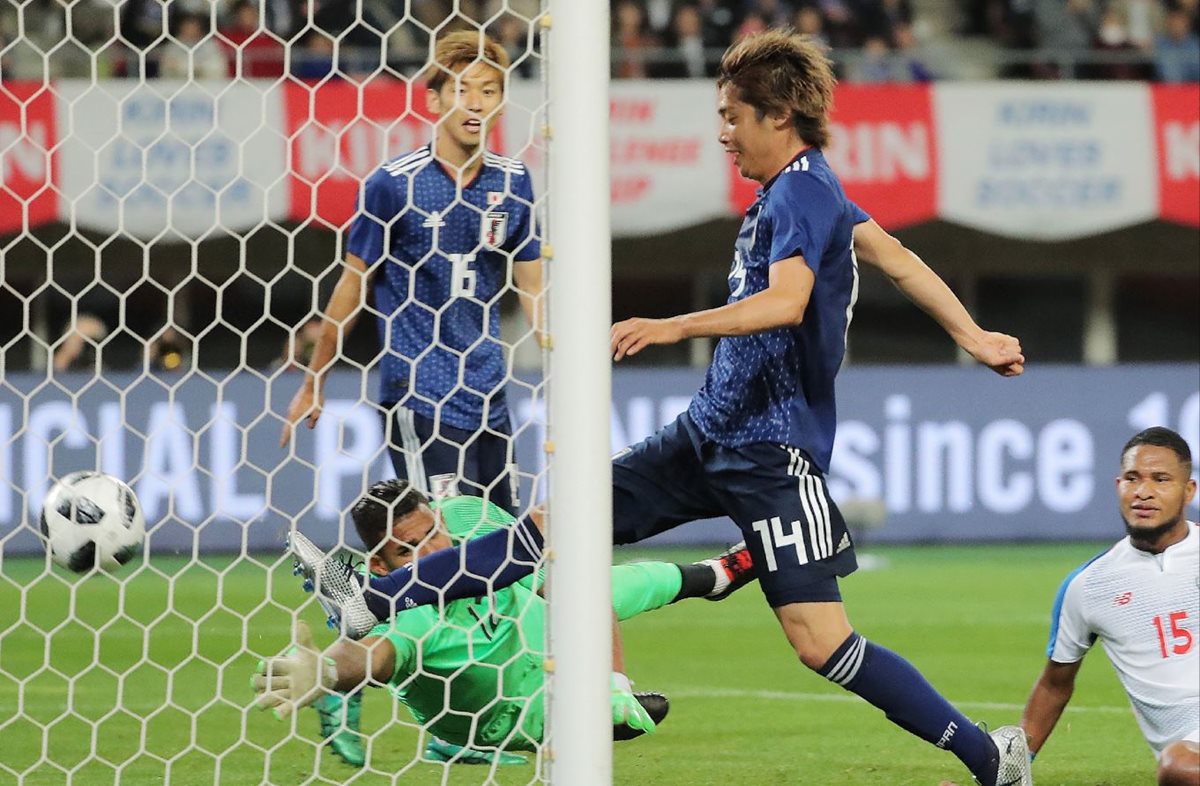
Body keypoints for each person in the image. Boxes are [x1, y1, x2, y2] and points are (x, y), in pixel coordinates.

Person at [606, 30, 1031, 786]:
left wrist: (672, 325)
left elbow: (788, 301)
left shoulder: (805, 190)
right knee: (559, 526)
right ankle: (380, 601)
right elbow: (895, 256)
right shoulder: (801, 190)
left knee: (821, 643)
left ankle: (990, 759)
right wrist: (973, 335)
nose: (722, 132)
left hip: (772, 453)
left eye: (733, 116)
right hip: (706, 434)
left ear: (778, 116)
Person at [252, 479, 753, 765]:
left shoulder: (465, 519)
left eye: (433, 534)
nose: (430, 551)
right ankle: (602, 701)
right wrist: (325, 672)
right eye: (407, 549)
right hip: (511, 708)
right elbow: (373, 655)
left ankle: (716, 575)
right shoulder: (410, 621)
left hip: (525, 619)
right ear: (381, 567)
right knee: (584, 588)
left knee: (587, 578)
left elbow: (539, 549)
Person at [280, 30, 543, 518]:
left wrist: (567, 365)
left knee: (504, 552)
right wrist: (315, 378)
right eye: (461, 89)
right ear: (433, 99)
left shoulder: (513, 182)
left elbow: (532, 287)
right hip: (421, 397)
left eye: (488, 91)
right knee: (444, 544)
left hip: (489, 396)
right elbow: (352, 284)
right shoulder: (392, 185)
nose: (475, 103)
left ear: (502, 104)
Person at [1019, 427, 1199, 786]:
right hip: (1188, 749)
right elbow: (1055, 685)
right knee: (1177, 768)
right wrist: (1001, 770)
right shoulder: (1089, 586)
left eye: (1161, 479)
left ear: (1188, 490)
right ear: (1118, 485)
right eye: (1133, 478)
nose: (1143, 492)